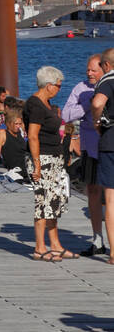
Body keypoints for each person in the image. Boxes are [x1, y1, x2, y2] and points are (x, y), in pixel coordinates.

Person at [25, 67, 73, 261]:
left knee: (54, 203)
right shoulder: (35, 105)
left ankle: (55, 244)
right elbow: (32, 136)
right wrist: (36, 165)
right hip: (42, 159)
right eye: (59, 86)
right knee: (43, 202)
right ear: (49, 85)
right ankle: (39, 247)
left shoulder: (46, 103)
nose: (60, 89)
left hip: (54, 158)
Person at [62, 53, 107, 257]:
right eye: (87, 69)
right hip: (90, 147)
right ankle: (97, 239)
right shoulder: (81, 88)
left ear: (104, 68)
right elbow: (66, 115)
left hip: (109, 146)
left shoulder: (110, 85)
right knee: (93, 192)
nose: (89, 73)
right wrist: (88, 104)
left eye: (93, 70)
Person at [87, 48, 114, 263]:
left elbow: (97, 103)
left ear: (106, 65)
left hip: (111, 141)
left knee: (111, 200)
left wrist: (97, 121)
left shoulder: (107, 80)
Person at [0, 105, 30, 174]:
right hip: (17, 168)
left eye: (20, 124)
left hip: (27, 163)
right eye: (16, 124)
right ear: (9, 123)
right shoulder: (2, 134)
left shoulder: (20, 133)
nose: (18, 126)